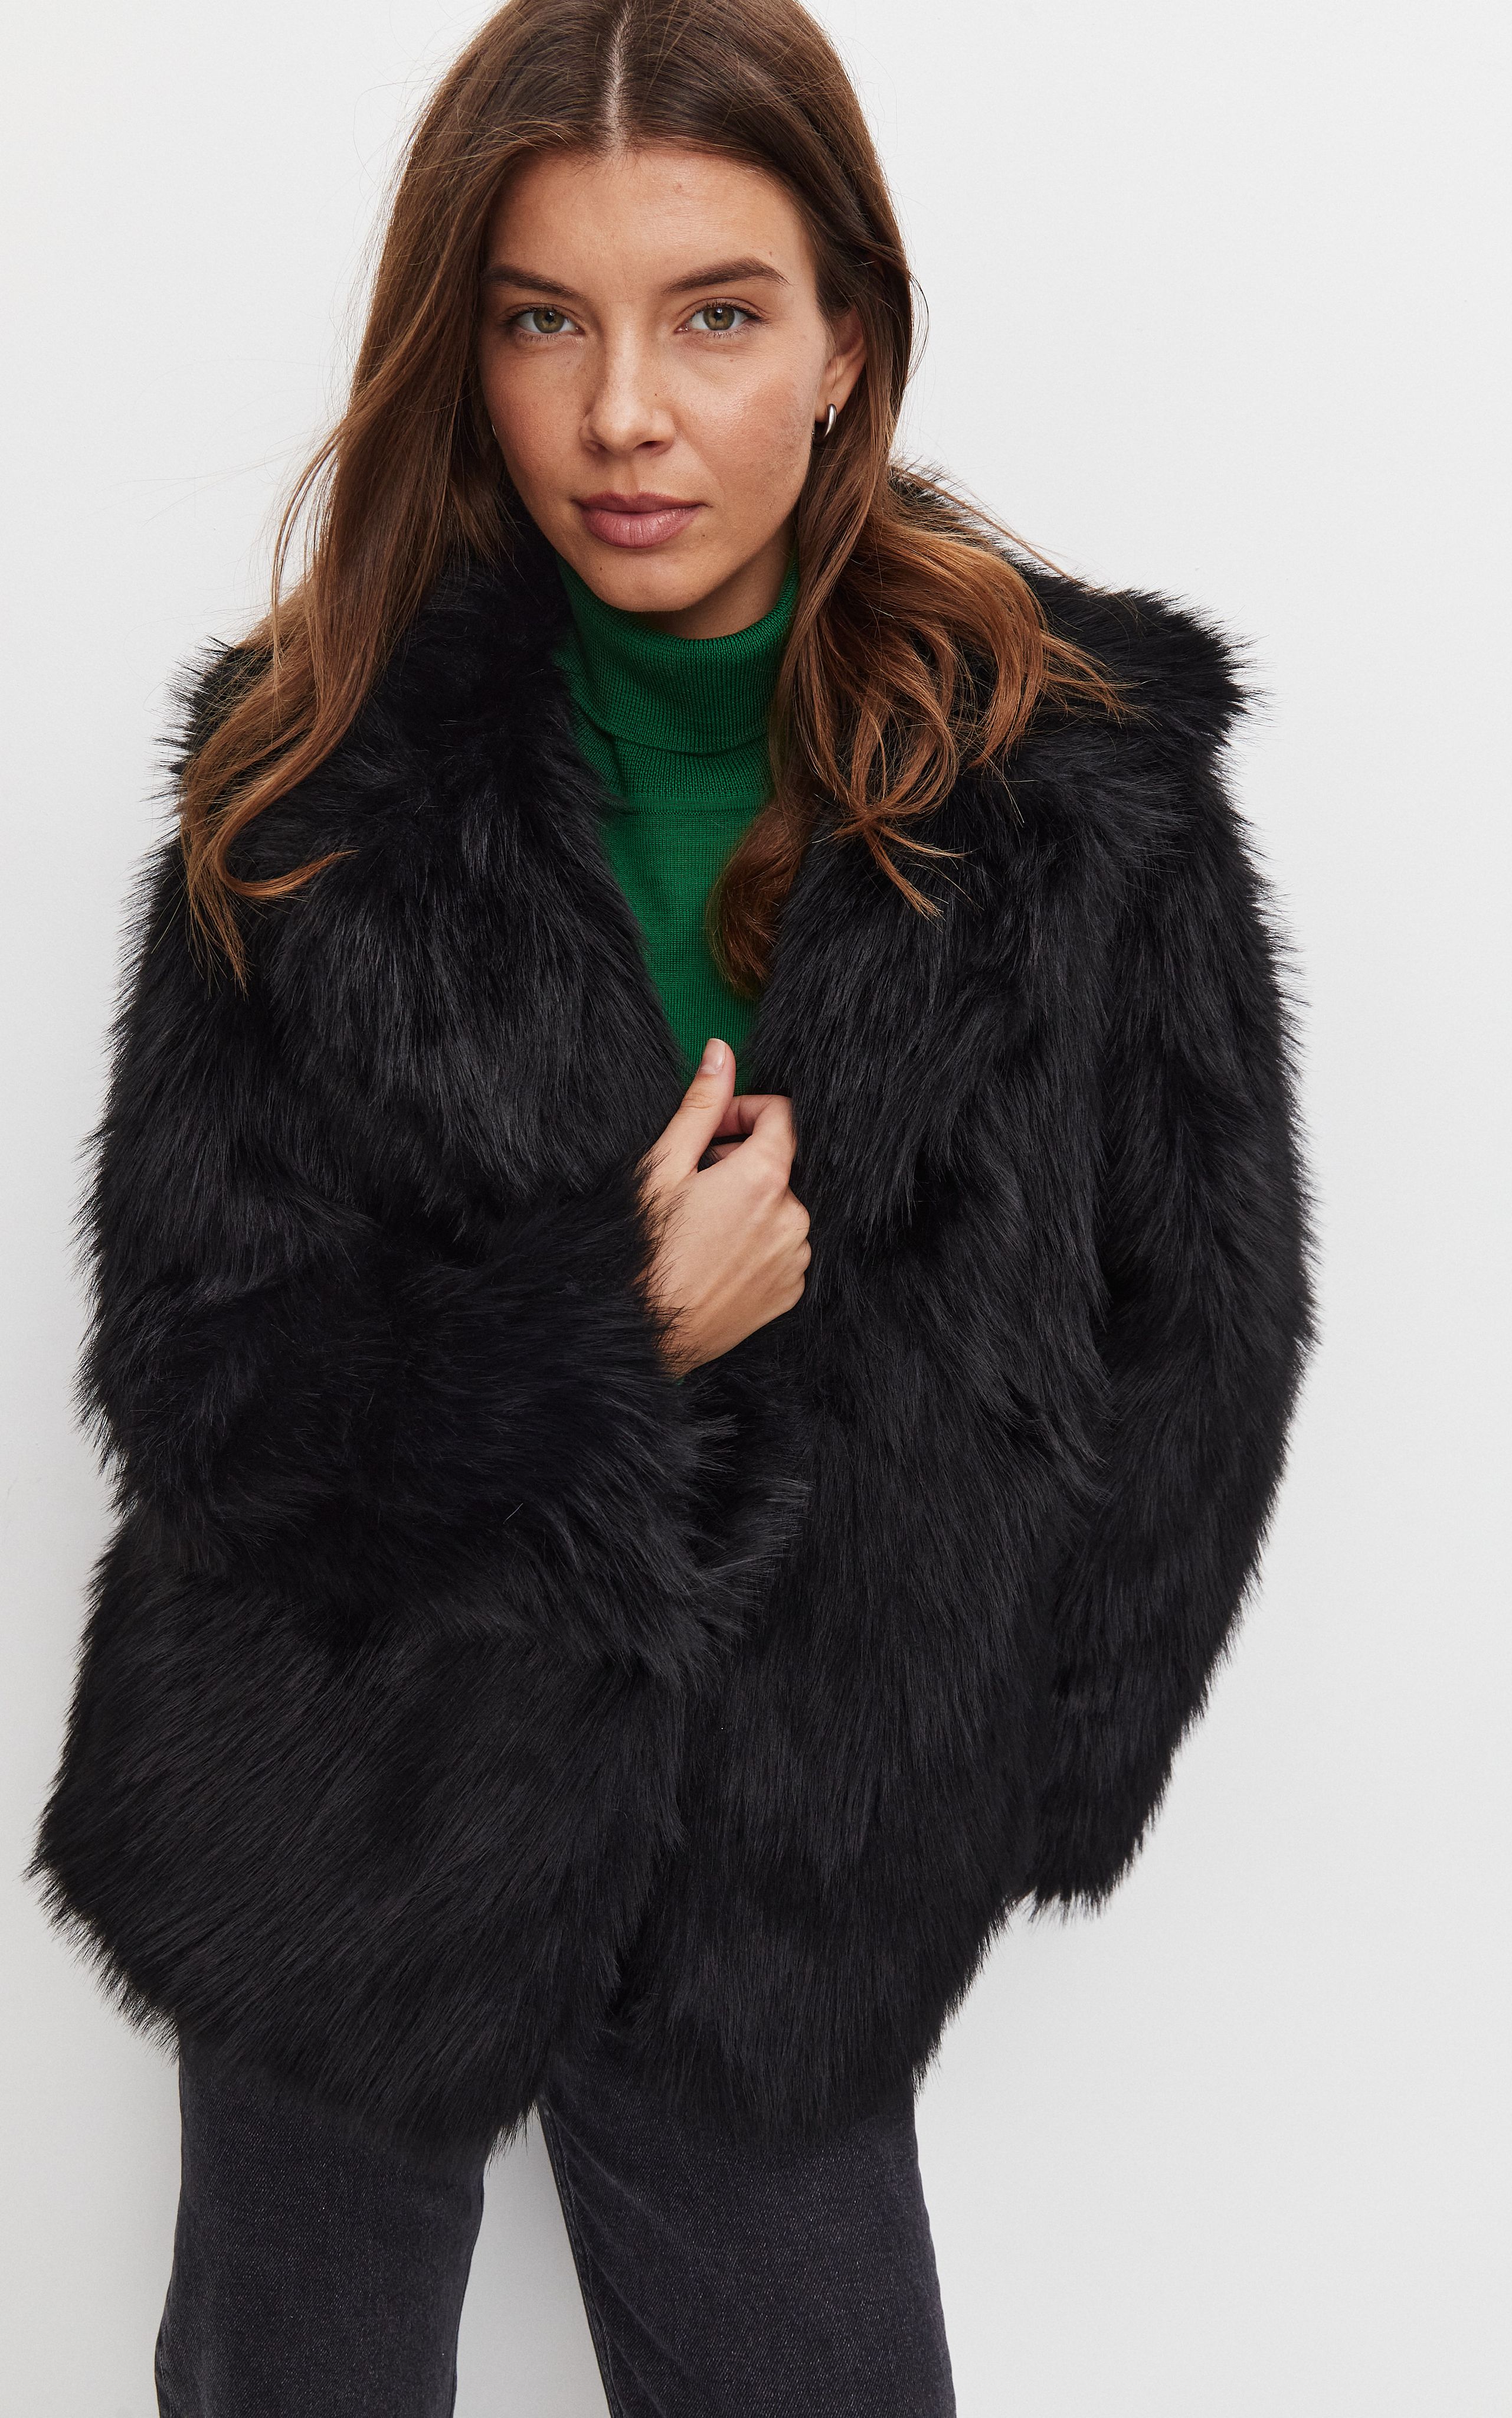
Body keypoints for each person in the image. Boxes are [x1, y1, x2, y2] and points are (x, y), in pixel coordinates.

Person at [31, 1, 1312, 2410]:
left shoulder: (1077, 794)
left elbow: (1201, 1333)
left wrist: (980, 1776)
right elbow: (201, 1378)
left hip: (786, 1866)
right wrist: (605, 1320)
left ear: (845, 344)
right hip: (348, 1803)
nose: (623, 412)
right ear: (467, 350)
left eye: (713, 315)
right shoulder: (306, 780)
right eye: (545, 321)